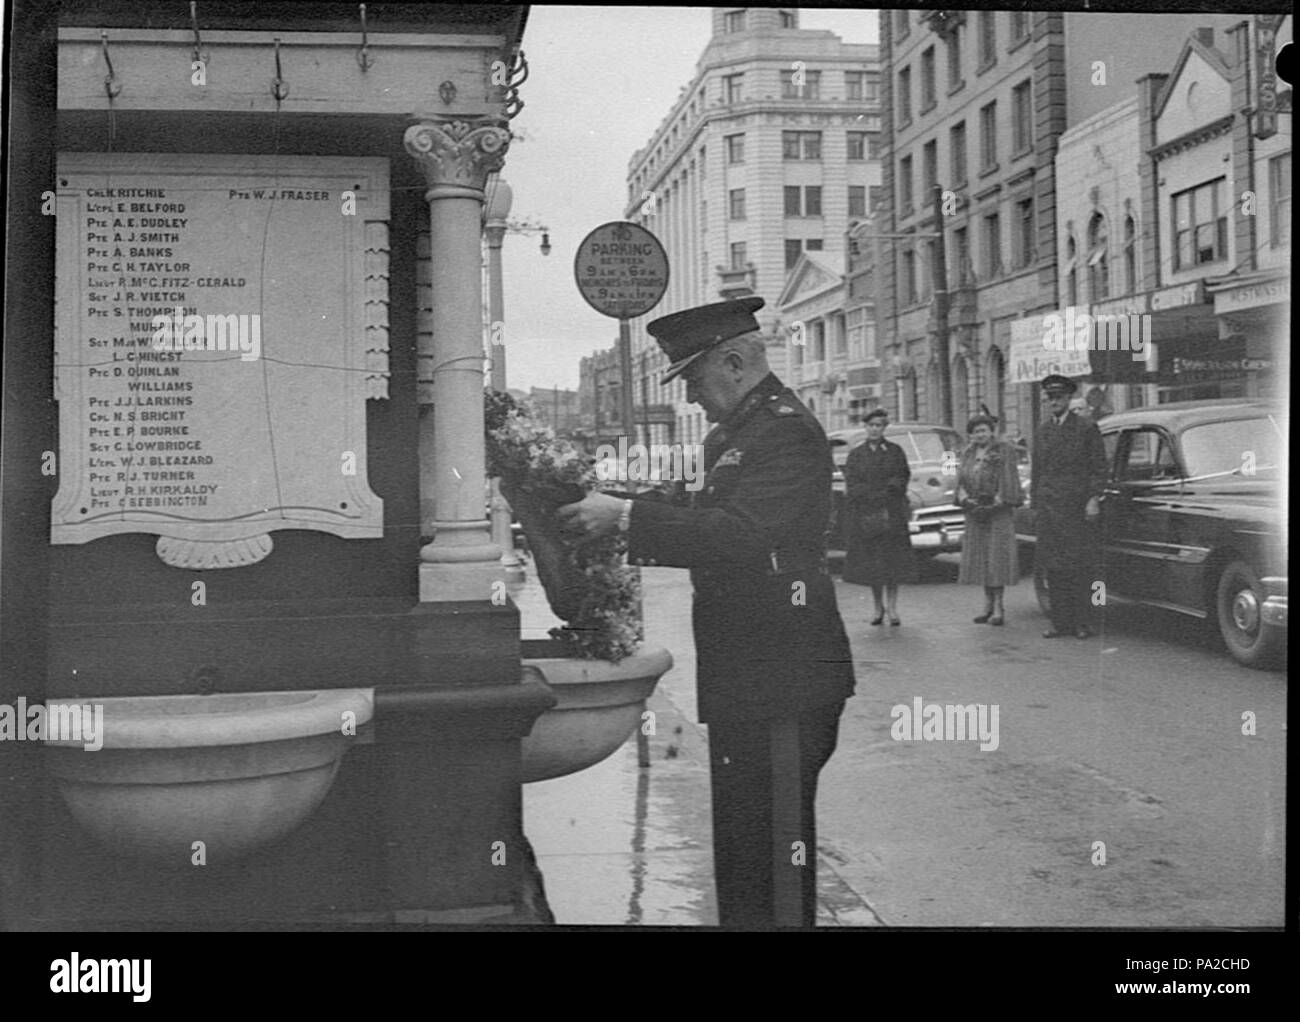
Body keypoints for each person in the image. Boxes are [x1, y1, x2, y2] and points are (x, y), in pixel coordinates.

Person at [557, 296, 856, 928]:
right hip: (750, 677)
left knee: (774, 856)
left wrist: (630, 518)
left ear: (737, 360)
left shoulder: (786, 432)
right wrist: (617, 503)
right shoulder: (737, 434)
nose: (691, 395)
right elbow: (695, 510)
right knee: (745, 848)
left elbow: (743, 535)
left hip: (784, 680)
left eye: (694, 377)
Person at [1031, 374, 1109, 639]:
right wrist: (1035, 505)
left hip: (1076, 507)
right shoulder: (1042, 431)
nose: (1054, 402)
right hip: (1050, 508)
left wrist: (1093, 498)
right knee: (1053, 567)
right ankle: (1059, 622)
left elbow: (1098, 468)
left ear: (1068, 398)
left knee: (1080, 567)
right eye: (1050, 398)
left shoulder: (1085, 428)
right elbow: (1037, 470)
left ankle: (1082, 622)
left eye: (1059, 397)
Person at [840, 408, 914, 626]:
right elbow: (852, 483)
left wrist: (887, 492)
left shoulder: (895, 451)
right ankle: (877, 607)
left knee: (892, 562)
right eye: (871, 425)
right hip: (867, 515)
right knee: (873, 565)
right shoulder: (856, 454)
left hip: (891, 514)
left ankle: (892, 607)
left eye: (879, 426)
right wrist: (870, 496)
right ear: (865, 428)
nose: (874, 429)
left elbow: (902, 476)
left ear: (884, 428)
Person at [955, 413, 1024, 625]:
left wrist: (994, 505)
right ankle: (986, 604)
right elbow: (958, 481)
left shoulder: (1004, 451)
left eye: (984, 430)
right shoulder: (967, 453)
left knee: (997, 560)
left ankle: (999, 607)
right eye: (976, 432)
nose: (980, 435)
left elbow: (1009, 480)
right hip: (975, 512)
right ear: (971, 435)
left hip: (997, 513)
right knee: (982, 560)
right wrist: (967, 502)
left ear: (991, 431)